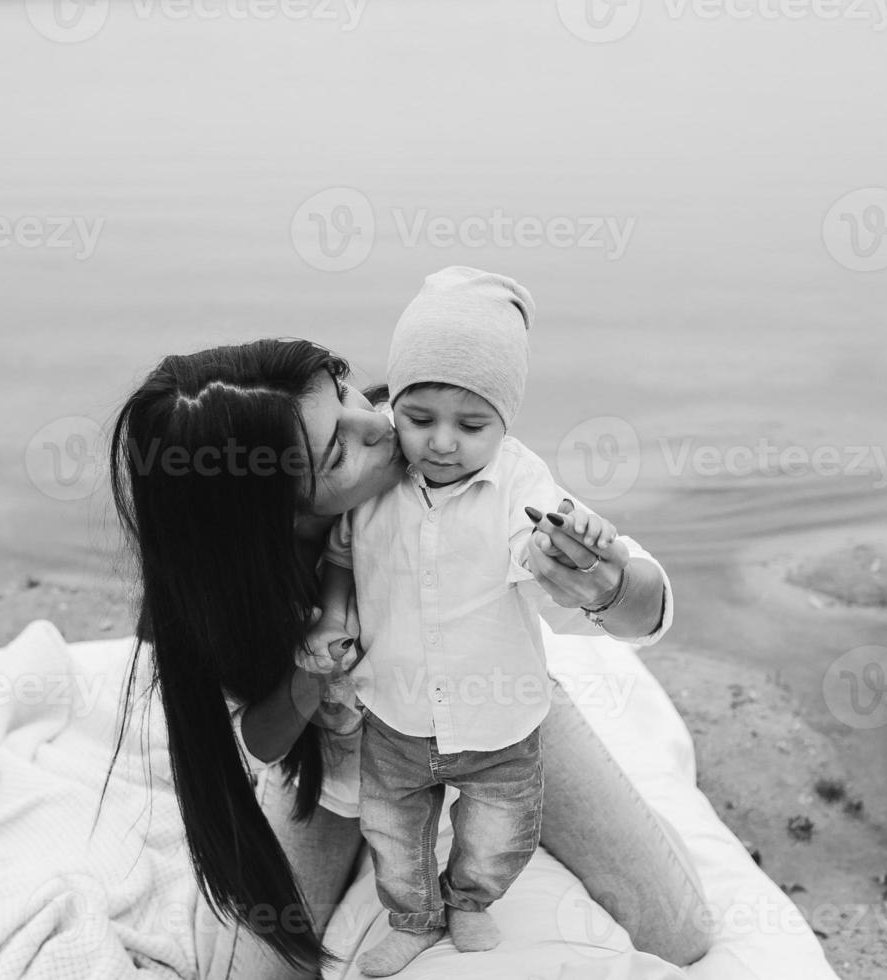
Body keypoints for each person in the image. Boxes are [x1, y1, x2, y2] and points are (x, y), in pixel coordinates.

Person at [104, 336, 713, 980]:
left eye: (343, 391)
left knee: (679, 931)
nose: (379, 422)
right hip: (346, 767)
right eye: (340, 448)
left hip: (498, 720)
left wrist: (609, 585)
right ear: (268, 508)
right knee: (260, 973)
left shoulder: (454, 455)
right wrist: (312, 679)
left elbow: (642, 603)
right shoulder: (226, 593)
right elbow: (261, 741)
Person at [305, 267, 636, 976]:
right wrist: (331, 616)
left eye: (472, 424)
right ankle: (414, 915)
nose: (443, 443)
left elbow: (545, 537)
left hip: (500, 719)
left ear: (505, 421)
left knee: (500, 828)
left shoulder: (519, 481)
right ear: (396, 406)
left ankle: (471, 899)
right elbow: (339, 556)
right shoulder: (378, 483)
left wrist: (575, 548)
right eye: (419, 419)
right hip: (394, 711)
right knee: (392, 828)